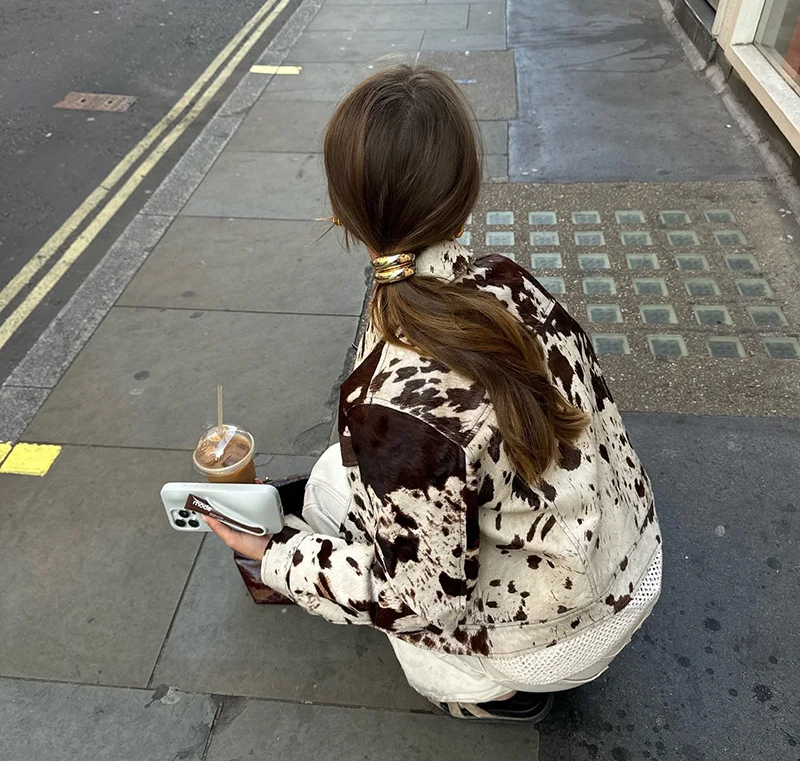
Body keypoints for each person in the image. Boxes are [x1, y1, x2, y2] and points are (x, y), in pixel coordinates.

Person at [204, 64, 662, 723]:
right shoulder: (509, 282)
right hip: (628, 557)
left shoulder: (397, 403)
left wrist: (276, 557)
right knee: (337, 478)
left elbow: (419, 600)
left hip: (558, 641)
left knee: (408, 636)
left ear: (342, 210)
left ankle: (494, 696)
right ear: (467, 191)